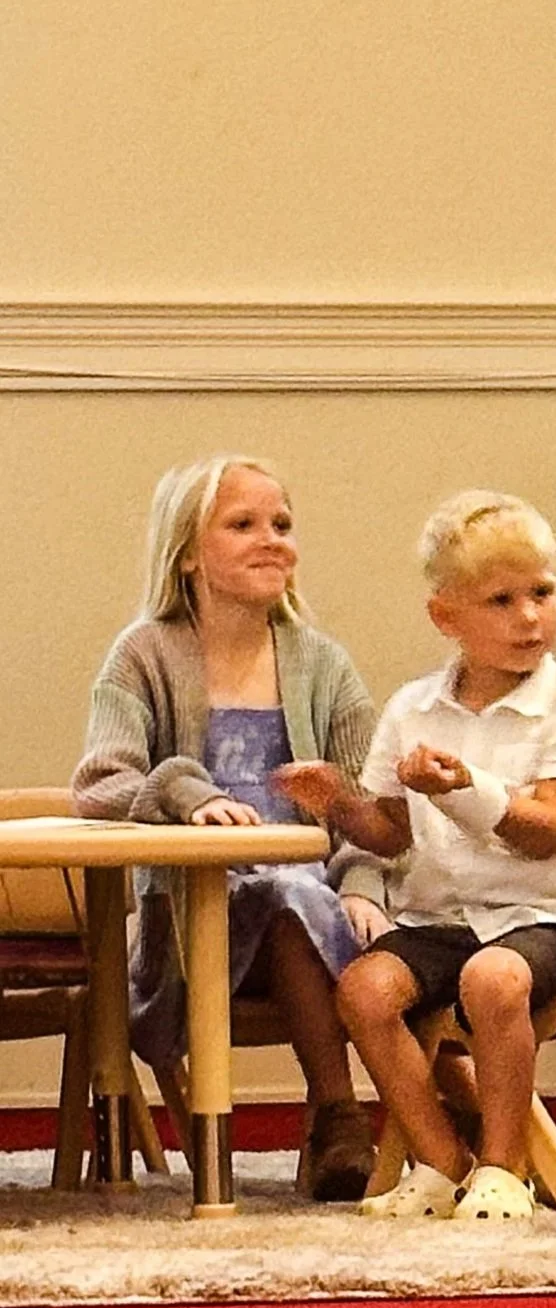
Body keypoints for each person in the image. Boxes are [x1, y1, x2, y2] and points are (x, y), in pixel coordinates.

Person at [276, 490, 556, 1222]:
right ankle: (442, 1160)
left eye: (542, 592)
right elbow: (390, 833)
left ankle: (504, 1164)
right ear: (448, 617)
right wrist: (339, 801)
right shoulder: (413, 707)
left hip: (538, 918)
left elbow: (548, 828)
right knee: (364, 990)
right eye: (501, 599)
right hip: (437, 917)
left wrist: (466, 786)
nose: (529, 616)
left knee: (493, 978)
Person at [72, 455, 382, 1201]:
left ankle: (344, 1116)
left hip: (313, 908)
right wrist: (183, 791)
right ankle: (343, 1113)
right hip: (192, 919)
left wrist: (366, 883)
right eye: (243, 524)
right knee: (275, 894)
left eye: (281, 524)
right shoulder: (144, 653)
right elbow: (99, 783)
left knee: (293, 898)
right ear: (186, 552)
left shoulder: (323, 663)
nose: (271, 539)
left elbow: (363, 804)